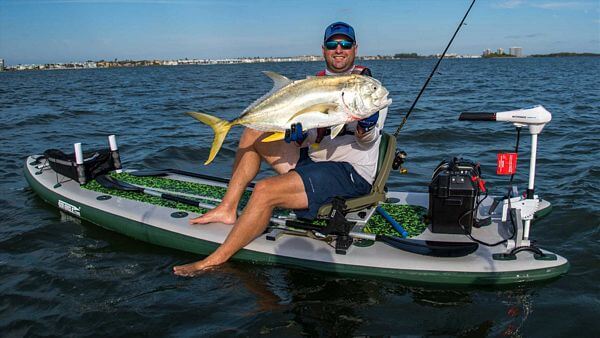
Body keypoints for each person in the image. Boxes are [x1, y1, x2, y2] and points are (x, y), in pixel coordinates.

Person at [173, 21, 385, 276]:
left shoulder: (367, 88)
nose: (338, 49)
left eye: (345, 44)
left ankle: (214, 260)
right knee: (253, 132)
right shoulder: (313, 84)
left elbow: (367, 141)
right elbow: (311, 139)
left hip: (349, 172)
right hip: (315, 162)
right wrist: (297, 138)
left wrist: (365, 126)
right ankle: (228, 208)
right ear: (324, 49)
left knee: (264, 190)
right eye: (332, 44)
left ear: (355, 48)